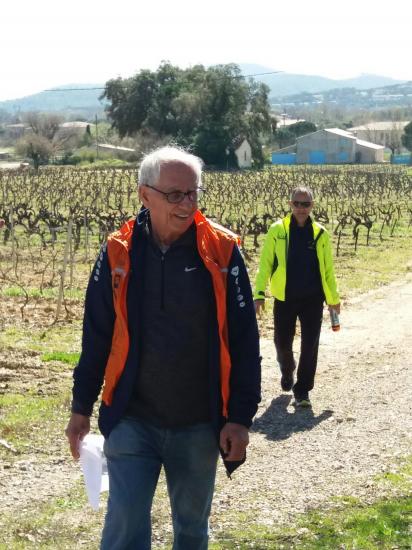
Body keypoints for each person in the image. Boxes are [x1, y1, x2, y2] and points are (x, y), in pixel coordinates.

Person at [65, 146, 261, 550]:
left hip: (199, 423)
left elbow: (244, 340)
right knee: (124, 527)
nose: (187, 204)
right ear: (145, 195)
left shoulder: (223, 251)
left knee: (191, 532)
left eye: (194, 193)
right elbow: (97, 334)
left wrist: (239, 418)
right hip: (132, 418)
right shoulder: (118, 251)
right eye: (175, 194)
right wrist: (80, 408)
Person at [253, 186, 340, 407]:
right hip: (285, 297)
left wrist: (333, 299)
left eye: (306, 204)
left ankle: (303, 390)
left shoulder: (320, 233)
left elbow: (328, 270)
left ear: (312, 206)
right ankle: (287, 368)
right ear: (290, 204)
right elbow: (265, 264)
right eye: (297, 204)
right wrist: (259, 293)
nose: (301, 208)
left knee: (310, 344)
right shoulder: (277, 230)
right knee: (282, 341)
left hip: (313, 298)